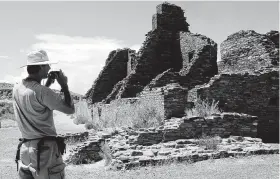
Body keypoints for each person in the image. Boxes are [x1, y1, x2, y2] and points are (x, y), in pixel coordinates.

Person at [12, 49, 75, 179]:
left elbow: (37, 97)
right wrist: (64, 86)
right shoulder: (43, 92)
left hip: (25, 149)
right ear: (41, 66)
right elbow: (70, 109)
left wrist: (48, 84)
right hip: (45, 150)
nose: (49, 68)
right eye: (47, 65)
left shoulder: (17, 88)